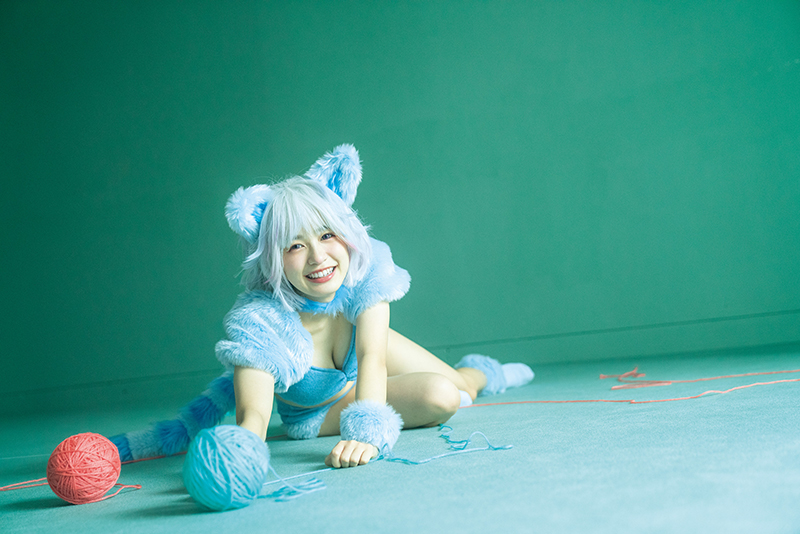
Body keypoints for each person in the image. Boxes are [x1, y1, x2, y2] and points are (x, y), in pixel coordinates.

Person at [110, 145, 533, 469]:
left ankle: (487, 373)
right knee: (443, 396)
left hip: (363, 367)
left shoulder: (367, 272)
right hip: (319, 410)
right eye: (295, 246)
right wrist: (240, 456)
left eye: (327, 235)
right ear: (274, 260)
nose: (318, 257)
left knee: (461, 384)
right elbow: (253, 414)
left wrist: (368, 433)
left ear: (346, 234)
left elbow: (372, 355)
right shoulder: (261, 323)